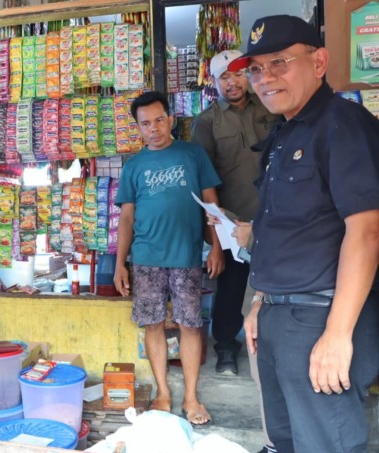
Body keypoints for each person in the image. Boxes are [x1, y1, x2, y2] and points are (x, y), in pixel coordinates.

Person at [227, 15, 379, 452]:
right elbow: (282, 229)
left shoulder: (342, 124)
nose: (265, 77)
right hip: (279, 317)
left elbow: (367, 232)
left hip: (321, 319)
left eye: (279, 62)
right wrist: (261, 300)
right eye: (256, 68)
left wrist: (337, 333)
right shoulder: (285, 134)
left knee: (324, 443)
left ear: (319, 62)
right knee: (285, 441)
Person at [114, 90, 224, 427]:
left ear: (171, 119)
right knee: (153, 324)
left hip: (186, 255)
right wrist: (121, 263)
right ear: (138, 127)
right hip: (146, 257)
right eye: (145, 123)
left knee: (191, 325)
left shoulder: (193, 155)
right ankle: (163, 392)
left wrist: (217, 246)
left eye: (159, 120)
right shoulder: (133, 166)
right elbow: (127, 219)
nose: (154, 128)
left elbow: (211, 205)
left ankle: (191, 397)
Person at [191, 49, 280, 377]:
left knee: (275, 281)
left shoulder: (271, 109)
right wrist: (213, 232)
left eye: (238, 74)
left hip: (275, 215)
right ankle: (226, 346)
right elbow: (202, 178)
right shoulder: (207, 122)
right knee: (230, 286)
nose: (233, 82)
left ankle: (272, 344)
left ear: (250, 74)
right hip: (231, 220)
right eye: (224, 77)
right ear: (214, 82)